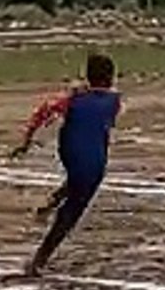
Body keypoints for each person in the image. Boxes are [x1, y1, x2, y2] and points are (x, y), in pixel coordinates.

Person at [10, 54, 122, 277]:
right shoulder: (114, 101)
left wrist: (26, 142)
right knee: (70, 214)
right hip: (95, 161)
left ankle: (52, 202)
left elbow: (43, 112)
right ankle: (39, 260)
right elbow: (108, 104)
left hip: (69, 152)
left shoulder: (73, 99)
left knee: (77, 179)